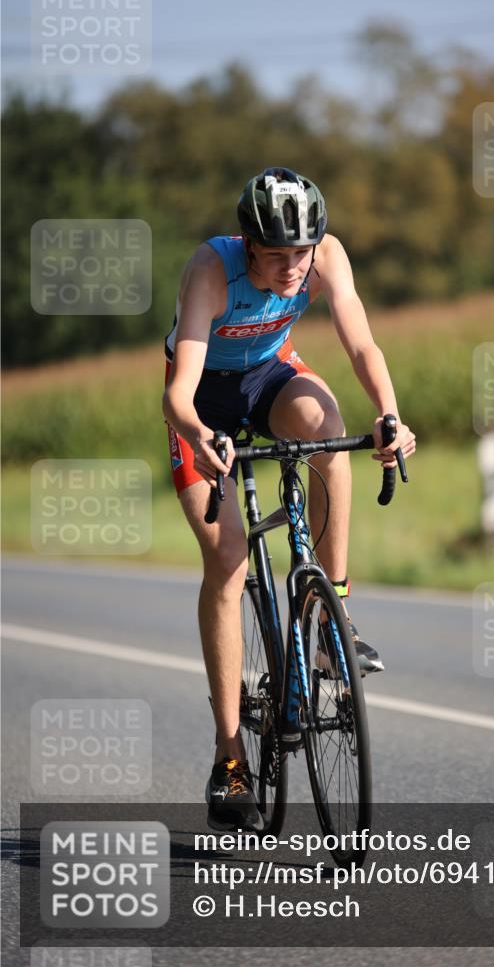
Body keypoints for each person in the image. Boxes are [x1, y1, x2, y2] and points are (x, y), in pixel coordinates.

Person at [162, 167, 415, 830]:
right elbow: (177, 393)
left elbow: (360, 342)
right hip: (203, 403)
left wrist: (389, 415)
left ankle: (332, 619)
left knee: (328, 430)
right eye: (276, 255)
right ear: (248, 245)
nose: (292, 267)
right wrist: (200, 438)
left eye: (300, 252)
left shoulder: (325, 257)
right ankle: (230, 758)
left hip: (270, 375)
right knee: (229, 559)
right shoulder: (211, 270)